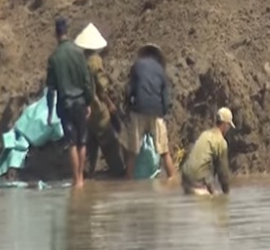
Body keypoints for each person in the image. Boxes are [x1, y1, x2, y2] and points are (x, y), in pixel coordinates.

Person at [46, 17, 94, 188]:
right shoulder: (78, 53)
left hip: (65, 105)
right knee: (82, 141)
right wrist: (88, 102)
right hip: (81, 102)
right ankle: (81, 176)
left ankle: (76, 180)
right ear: (67, 31)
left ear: (56, 33)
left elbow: (51, 90)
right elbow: (87, 81)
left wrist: (50, 113)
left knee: (71, 143)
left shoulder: (54, 58)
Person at [73, 22, 125, 178]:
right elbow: (102, 86)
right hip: (96, 106)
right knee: (108, 141)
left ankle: (85, 173)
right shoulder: (95, 60)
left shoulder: (79, 60)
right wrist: (109, 103)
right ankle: (118, 171)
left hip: (83, 107)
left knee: (90, 142)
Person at [123, 43, 176, 180]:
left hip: (139, 110)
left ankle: (128, 182)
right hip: (156, 112)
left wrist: (128, 107)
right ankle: (173, 179)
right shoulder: (161, 71)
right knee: (164, 151)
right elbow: (165, 98)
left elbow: (130, 91)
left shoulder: (137, 66)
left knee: (133, 152)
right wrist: (163, 114)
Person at [181, 107, 235, 195]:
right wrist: (227, 193)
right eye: (229, 125)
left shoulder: (204, 134)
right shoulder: (221, 142)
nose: (228, 129)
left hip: (185, 180)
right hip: (198, 183)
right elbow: (223, 172)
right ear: (225, 125)